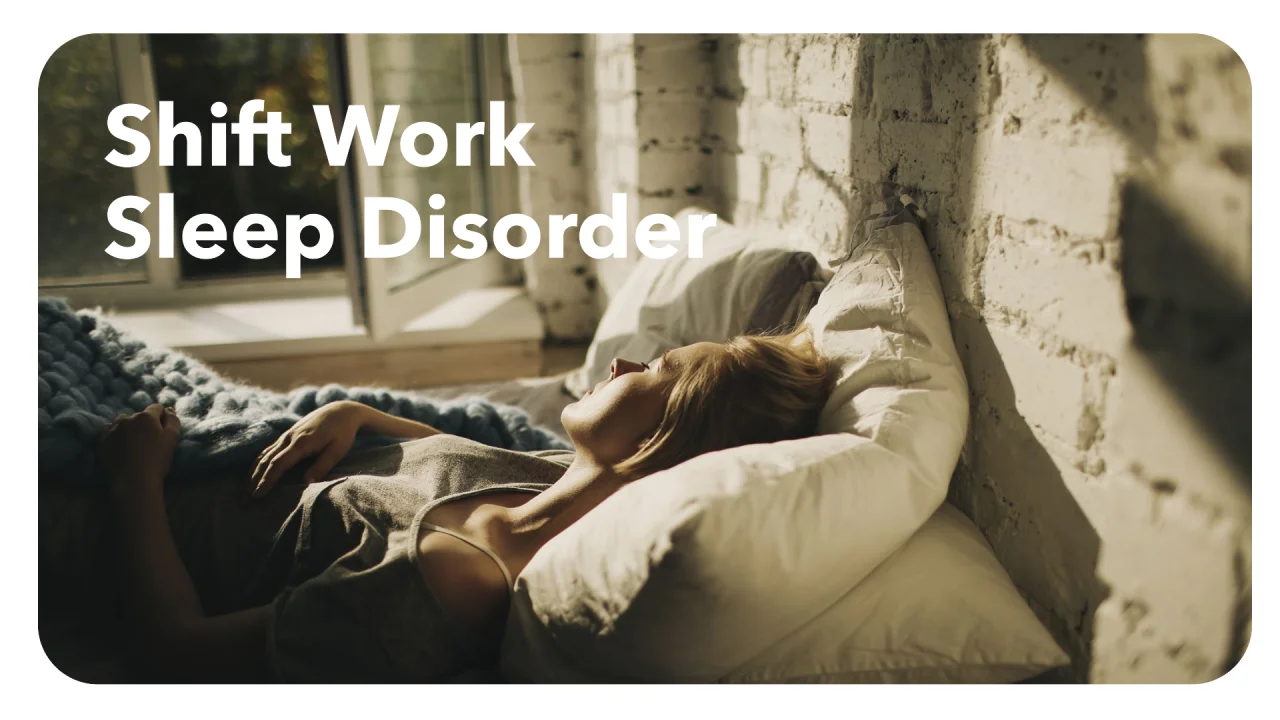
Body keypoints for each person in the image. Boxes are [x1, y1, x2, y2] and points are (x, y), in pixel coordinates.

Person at [96, 328, 832, 682]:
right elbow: (441, 460)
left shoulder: (451, 580)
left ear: (676, 437)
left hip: (104, 529)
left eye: (660, 370)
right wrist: (356, 414)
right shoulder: (552, 478)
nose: (624, 364)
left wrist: (134, 479)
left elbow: (177, 649)